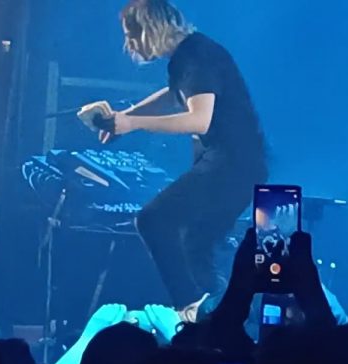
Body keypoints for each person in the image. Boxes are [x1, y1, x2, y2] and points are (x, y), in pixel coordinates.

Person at [78, 0, 268, 318]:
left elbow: (199, 120)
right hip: (235, 164)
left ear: (151, 28)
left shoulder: (197, 56)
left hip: (232, 165)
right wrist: (126, 117)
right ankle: (219, 318)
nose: (130, 45)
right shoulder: (186, 57)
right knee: (195, 245)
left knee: (154, 220)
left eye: (132, 35)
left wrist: (133, 124)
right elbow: (173, 95)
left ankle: (190, 310)